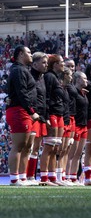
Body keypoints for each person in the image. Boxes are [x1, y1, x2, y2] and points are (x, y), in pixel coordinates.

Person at [6, 45, 39, 186]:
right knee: (18, 145)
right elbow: (21, 92)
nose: (31, 55)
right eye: (29, 53)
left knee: (26, 146)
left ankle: (22, 177)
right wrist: (31, 111)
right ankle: (14, 179)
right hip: (19, 110)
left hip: (23, 110)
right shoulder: (18, 70)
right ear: (20, 54)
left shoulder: (21, 69)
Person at [40, 54, 65, 185]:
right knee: (49, 147)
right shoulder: (49, 76)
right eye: (61, 62)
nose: (63, 65)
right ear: (55, 64)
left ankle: (52, 177)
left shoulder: (56, 77)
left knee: (55, 148)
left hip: (59, 113)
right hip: (53, 113)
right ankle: (44, 178)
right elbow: (46, 96)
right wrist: (47, 115)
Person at [26, 52, 49, 185]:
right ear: (34, 64)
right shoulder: (30, 77)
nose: (46, 65)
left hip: (41, 117)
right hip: (32, 115)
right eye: (43, 63)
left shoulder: (42, 78)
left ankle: (30, 176)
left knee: (35, 149)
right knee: (29, 147)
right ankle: (23, 175)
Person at [69, 71, 89, 184]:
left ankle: (73, 177)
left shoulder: (83, 93)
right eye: (84, 78)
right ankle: (68, 176)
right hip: (76, 125)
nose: (86, 81)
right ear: (77, 80)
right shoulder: (74, 92)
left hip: (84, 125)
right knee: (72, 154)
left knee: (78, 154)